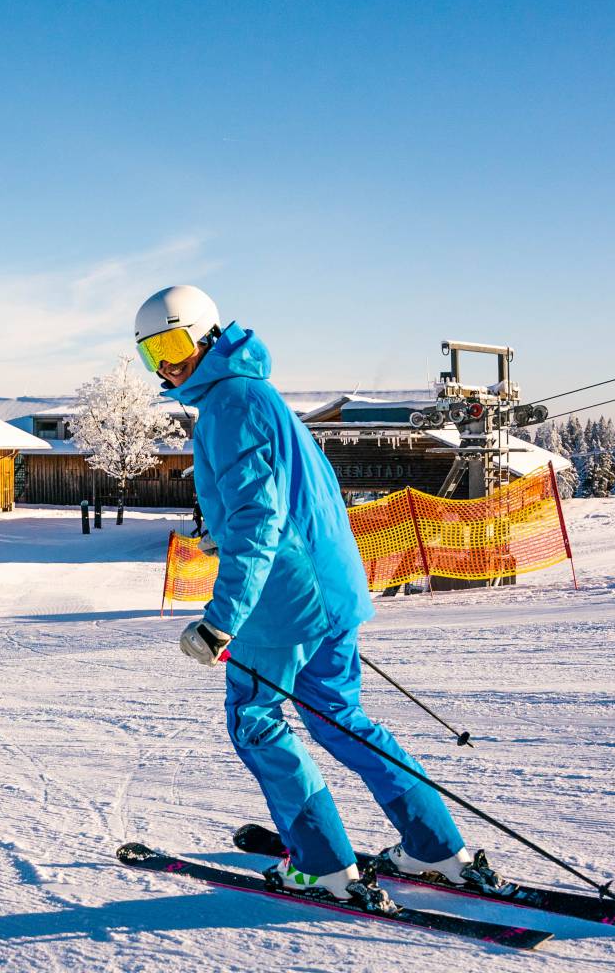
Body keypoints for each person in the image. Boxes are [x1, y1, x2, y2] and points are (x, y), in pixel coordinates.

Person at [135, 284, 480, 907]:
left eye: (173, 342)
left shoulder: (227, 405)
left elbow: (258, 520)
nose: (165, 363)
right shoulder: (256, 394)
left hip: (284, 601)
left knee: (256, 720)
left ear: (206, 335)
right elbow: (290, 501)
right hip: (329, 586)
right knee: (339, 717)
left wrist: (221, 620)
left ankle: (321, 862)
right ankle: (435, 846)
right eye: (150, 351)